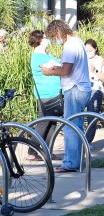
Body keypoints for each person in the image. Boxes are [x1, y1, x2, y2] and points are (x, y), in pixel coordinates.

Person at [41, 20, 91, 173]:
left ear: (58, 32)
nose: (54, 40)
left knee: (70, 127)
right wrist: (58, 68)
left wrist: (50, 71)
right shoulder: (78, 42)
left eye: (53, 36)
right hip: (81, 87)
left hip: (74, 89)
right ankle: (77, 161)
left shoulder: (69, 46)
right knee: (77, 126)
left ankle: (70, 163)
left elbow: (66, 71)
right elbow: (68, 68)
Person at [28, 30, 62, 160]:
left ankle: (47, 150)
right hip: (47, 93)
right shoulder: (39, 56)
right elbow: (58, 65)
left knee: (52, 123)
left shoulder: (45, 54)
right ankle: (32, 151)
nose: (48, 40)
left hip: (53, 93)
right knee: (43, 123)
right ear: (40, 40)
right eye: (46, 37)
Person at [84, 39, 104, 146]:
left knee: (92, 115)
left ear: (95, 49)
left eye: (90, 50)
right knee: (78, 115)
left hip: (96, 89)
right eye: (86, 50)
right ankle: (79, 139)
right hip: (83, 88)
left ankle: (88, 141)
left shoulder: (100, 60)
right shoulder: (82, 59)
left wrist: (94, 71)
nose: (88, 52)